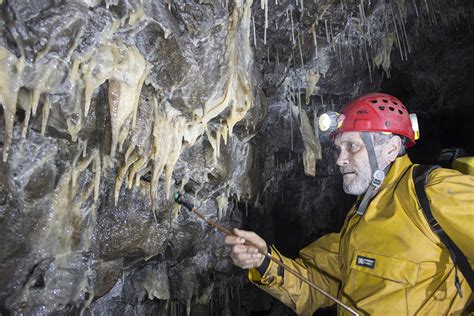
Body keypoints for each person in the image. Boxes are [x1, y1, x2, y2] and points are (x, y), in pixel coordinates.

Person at [225, 93, 474, 315]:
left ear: (390, 148)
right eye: (338, 149)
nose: (340, 160)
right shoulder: (357, 221)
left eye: (352, 146)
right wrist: (264, 260)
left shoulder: (433, 190)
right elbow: (314, 284)